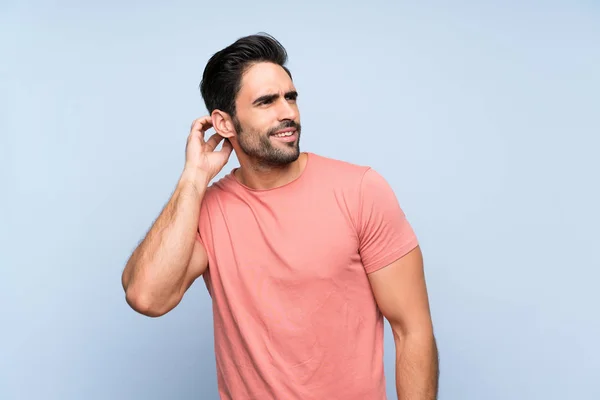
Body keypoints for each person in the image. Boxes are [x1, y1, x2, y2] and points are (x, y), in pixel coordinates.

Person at [121, 32, 439, 400]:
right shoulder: (207, 210)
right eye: (266, 102)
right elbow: (146, 297)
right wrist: (193, 179)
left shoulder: (361, 191)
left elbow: (412, 329)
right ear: (224, 124)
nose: (287, 112)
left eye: (290, 97)